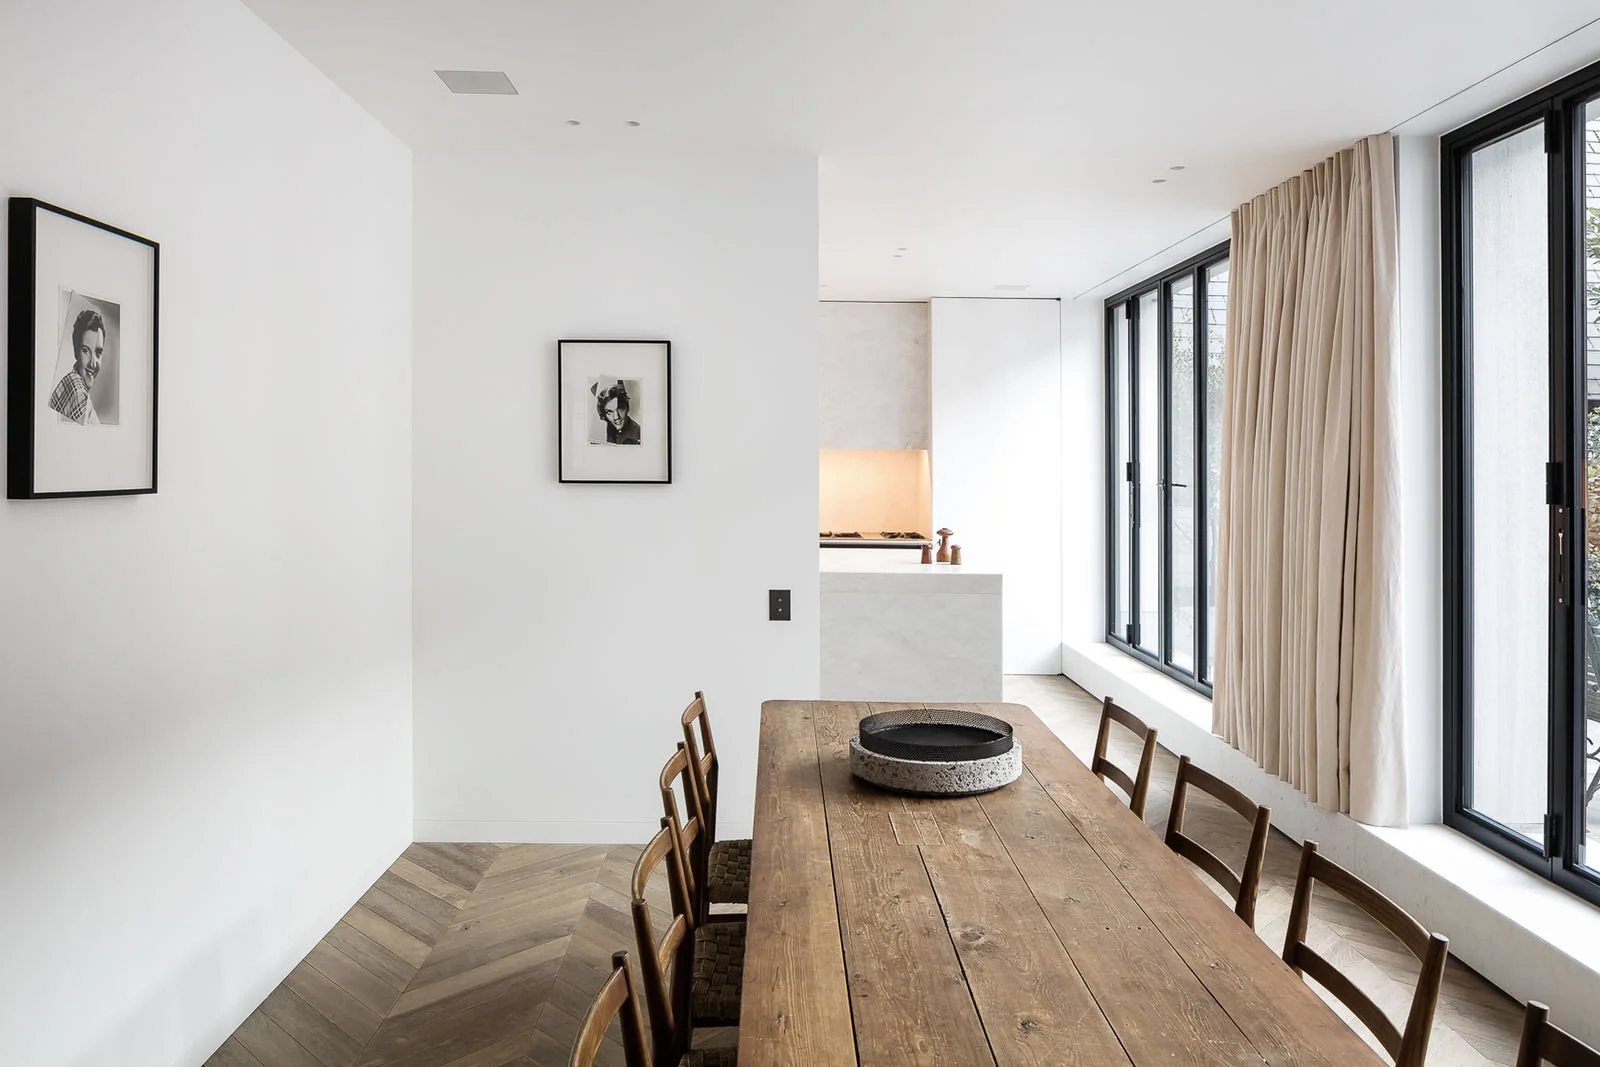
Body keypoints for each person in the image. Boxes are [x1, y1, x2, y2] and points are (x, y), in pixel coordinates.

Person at [48, 308, 105, 425]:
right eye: (85, 350)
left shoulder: (79, 388)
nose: (93, 363)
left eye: (98, 353)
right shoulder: (76, 388)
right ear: (76, 351)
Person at [595, 380, 642, 445]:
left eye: (620, 409)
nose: (616, 417)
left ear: (627, 407)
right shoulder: (606, 429)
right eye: (609, 412)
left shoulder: (639, 436)